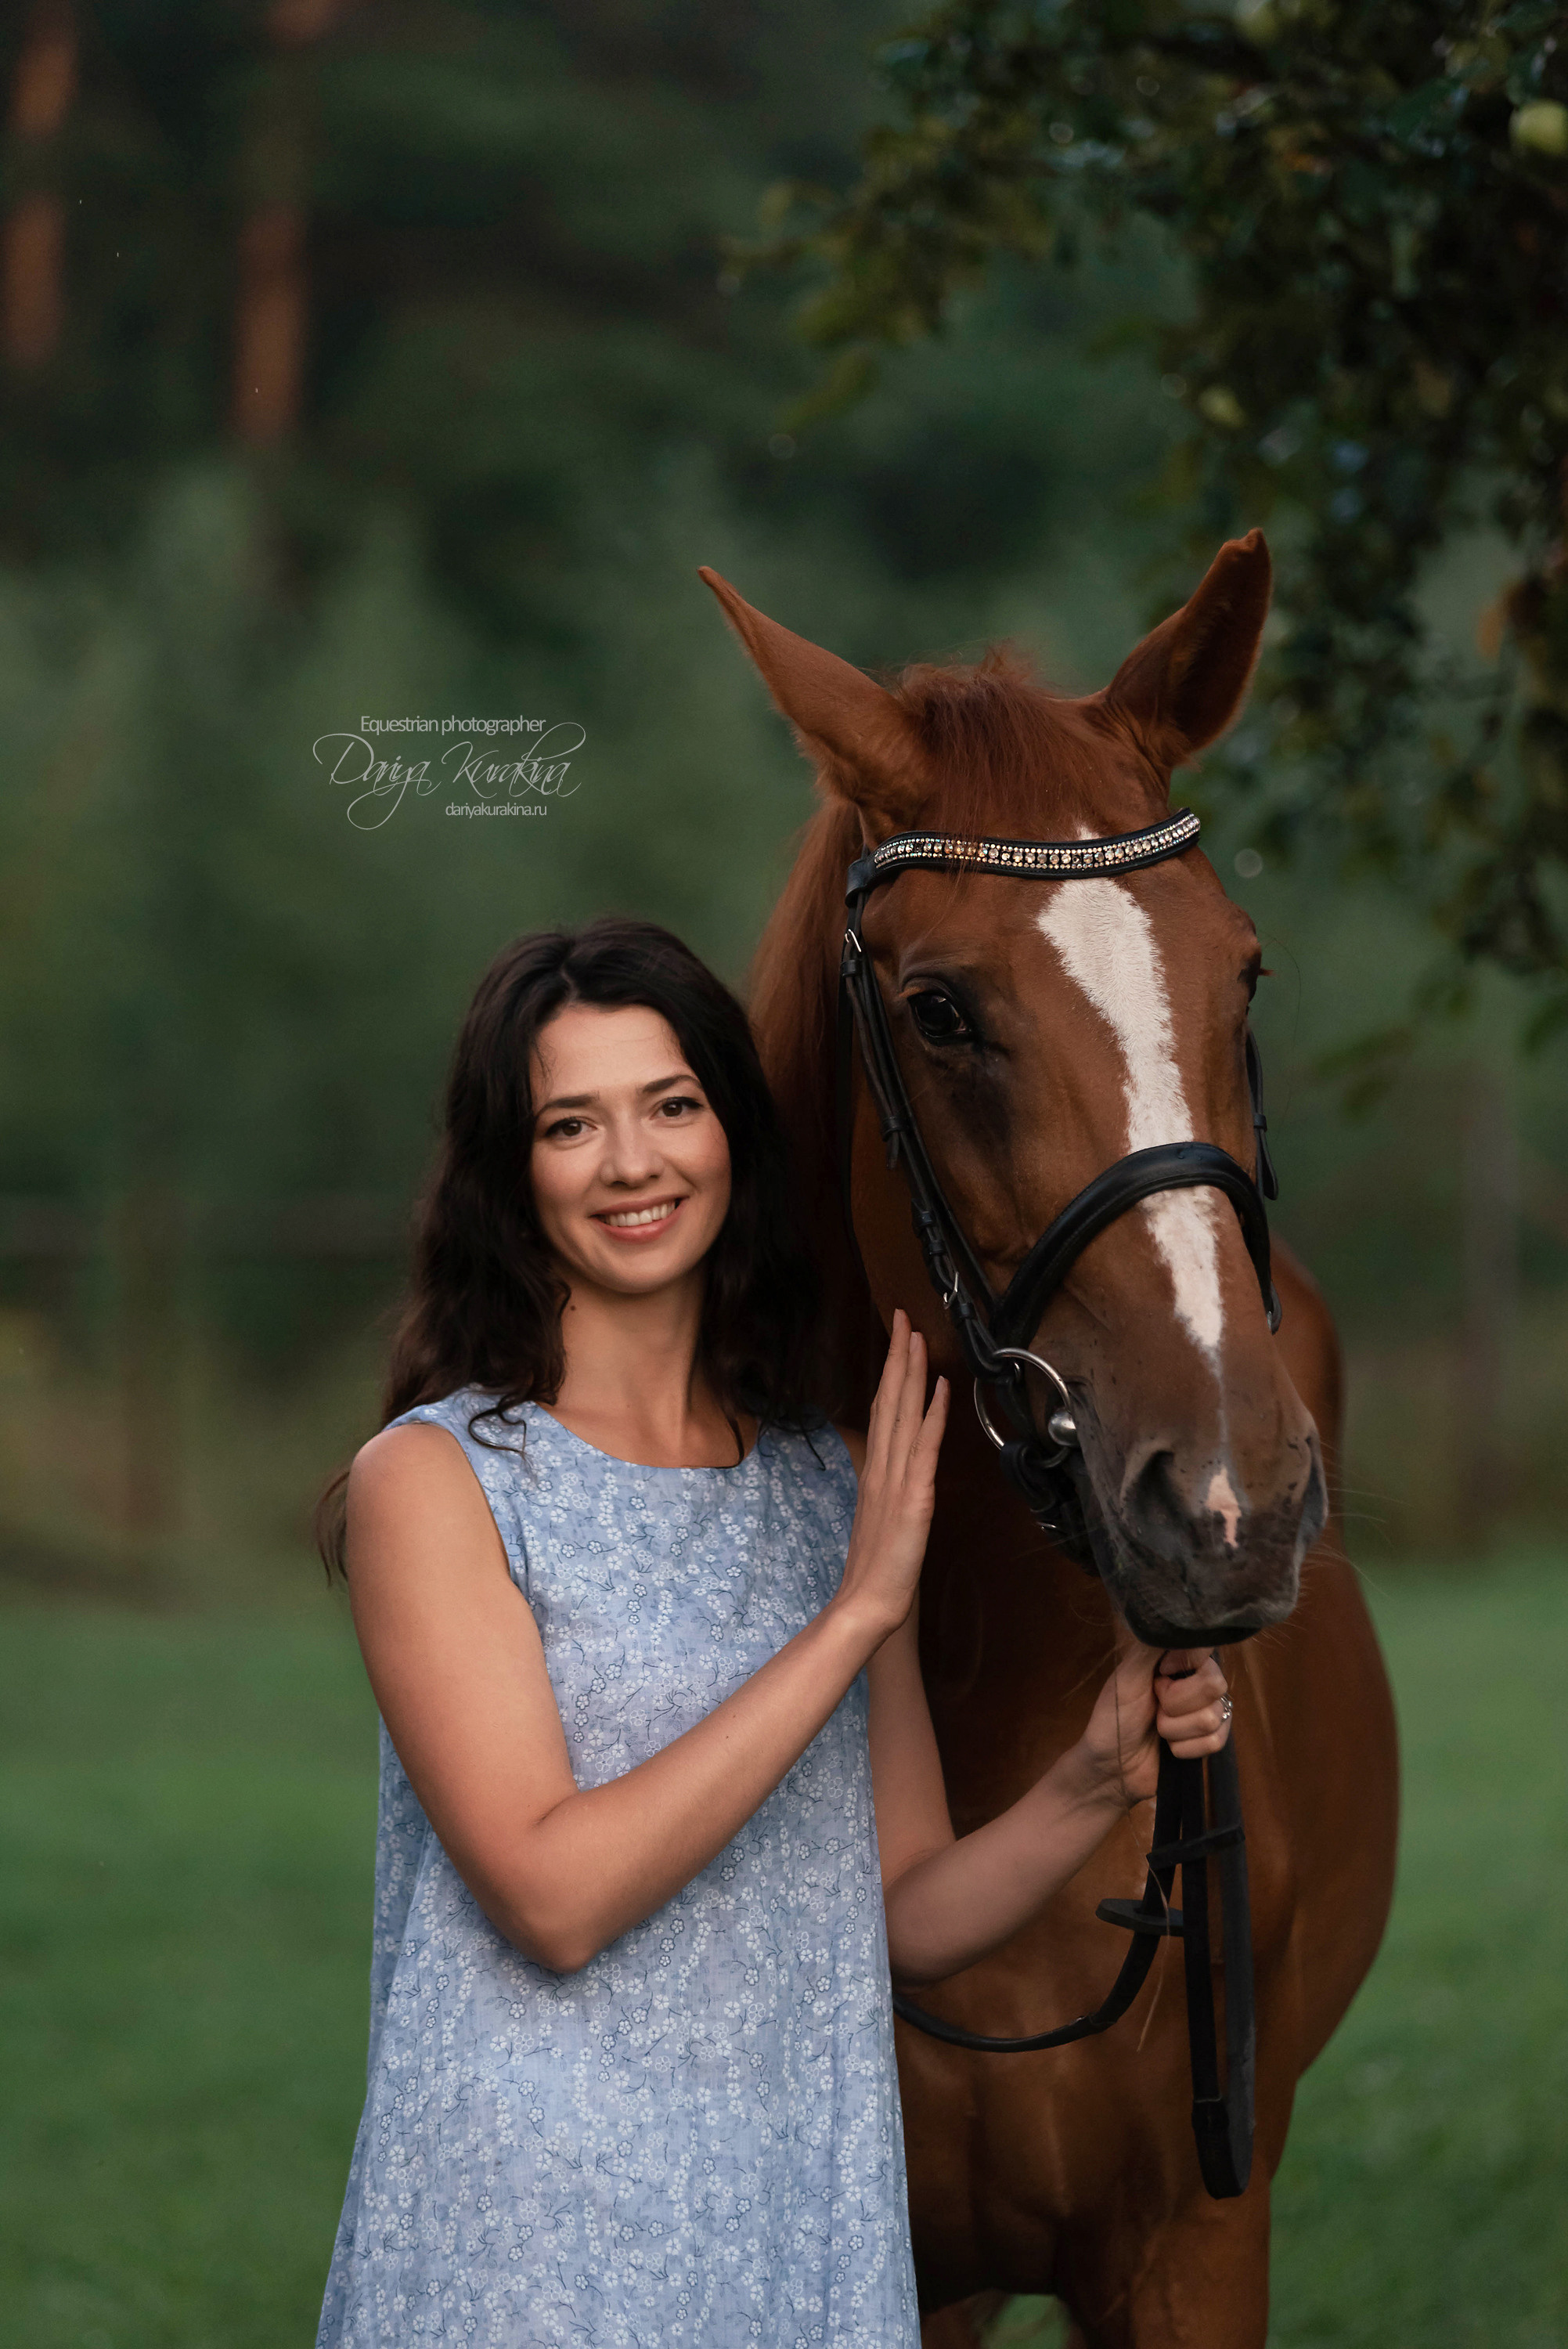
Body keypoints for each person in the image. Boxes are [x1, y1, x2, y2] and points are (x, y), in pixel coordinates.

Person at [314, 917, 1232, 2349]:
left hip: (801, 2225)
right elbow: (552, 1899)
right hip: (527, 2238)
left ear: (733, 1135)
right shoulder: (436, 1484)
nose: (634, 1163)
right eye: (573, 1123)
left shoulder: (827, 1486)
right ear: (512, 1171)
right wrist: (860, 1611)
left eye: (672, 1105)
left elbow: (907, 1918)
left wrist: (1096, 1778)